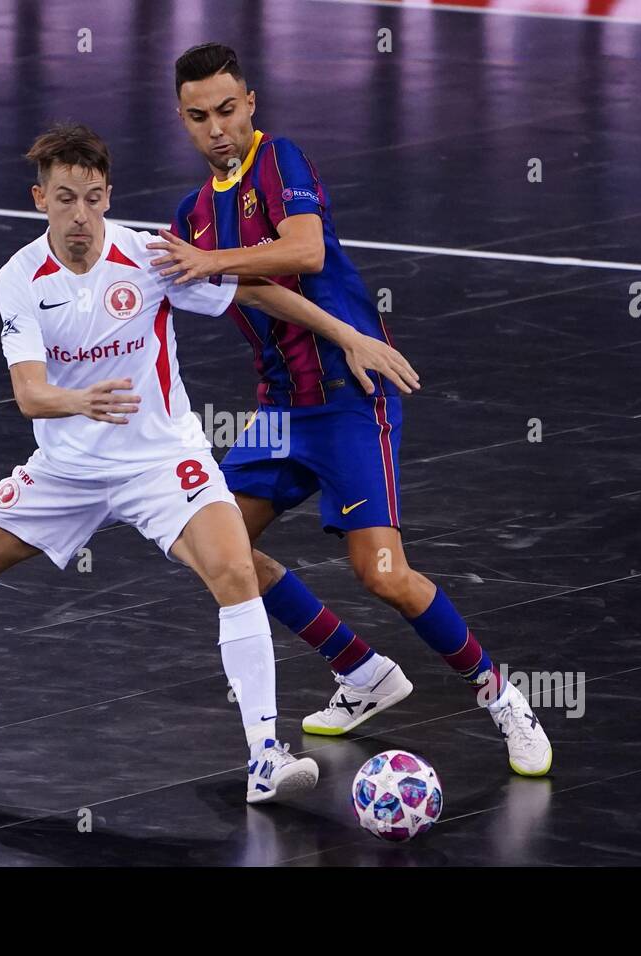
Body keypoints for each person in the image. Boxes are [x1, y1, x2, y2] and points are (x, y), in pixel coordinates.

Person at [0, 122, 417, 804]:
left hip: (163, 461)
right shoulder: (20, 277)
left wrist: (349, 334)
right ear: (38, 200)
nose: (79, 215)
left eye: (91, 198)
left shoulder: (148, 257)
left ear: (107, 196)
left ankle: (265, 751)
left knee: (233, 569)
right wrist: (80, 400)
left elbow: (255, 290)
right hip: (67, 469)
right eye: (63, 199)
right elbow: (28, 394)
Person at [148, 43, 552, 775]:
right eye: (199, 116)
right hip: (277, 410)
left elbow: (301, 252)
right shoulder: (193, 217)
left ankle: (501, 695)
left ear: (252, 104)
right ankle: (360, 670)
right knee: (217, 550)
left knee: (385, 573)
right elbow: (257, 289)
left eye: (229, 110)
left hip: (348, 399)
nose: (217, 129)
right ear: (182, 119)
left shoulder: (281, 162)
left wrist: (336, 333)